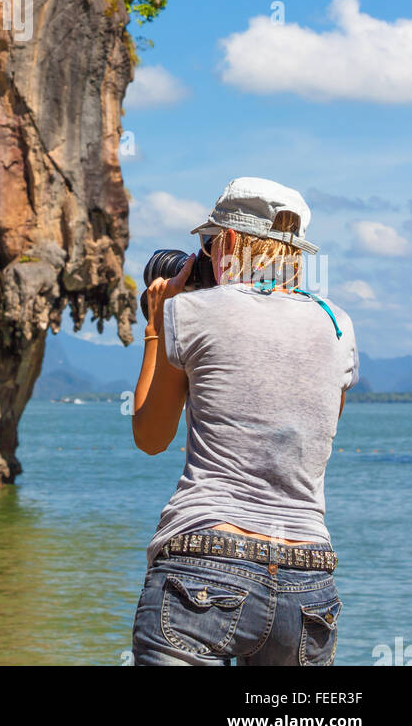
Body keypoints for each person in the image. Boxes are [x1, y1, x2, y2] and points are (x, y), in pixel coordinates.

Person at [130, 177, 358, 666]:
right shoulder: (338, 324)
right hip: (308, 576)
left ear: (229, 241)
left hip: (203, 561)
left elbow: (150, 436)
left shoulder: (188, 312)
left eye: (207, 245)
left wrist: (156, 325)